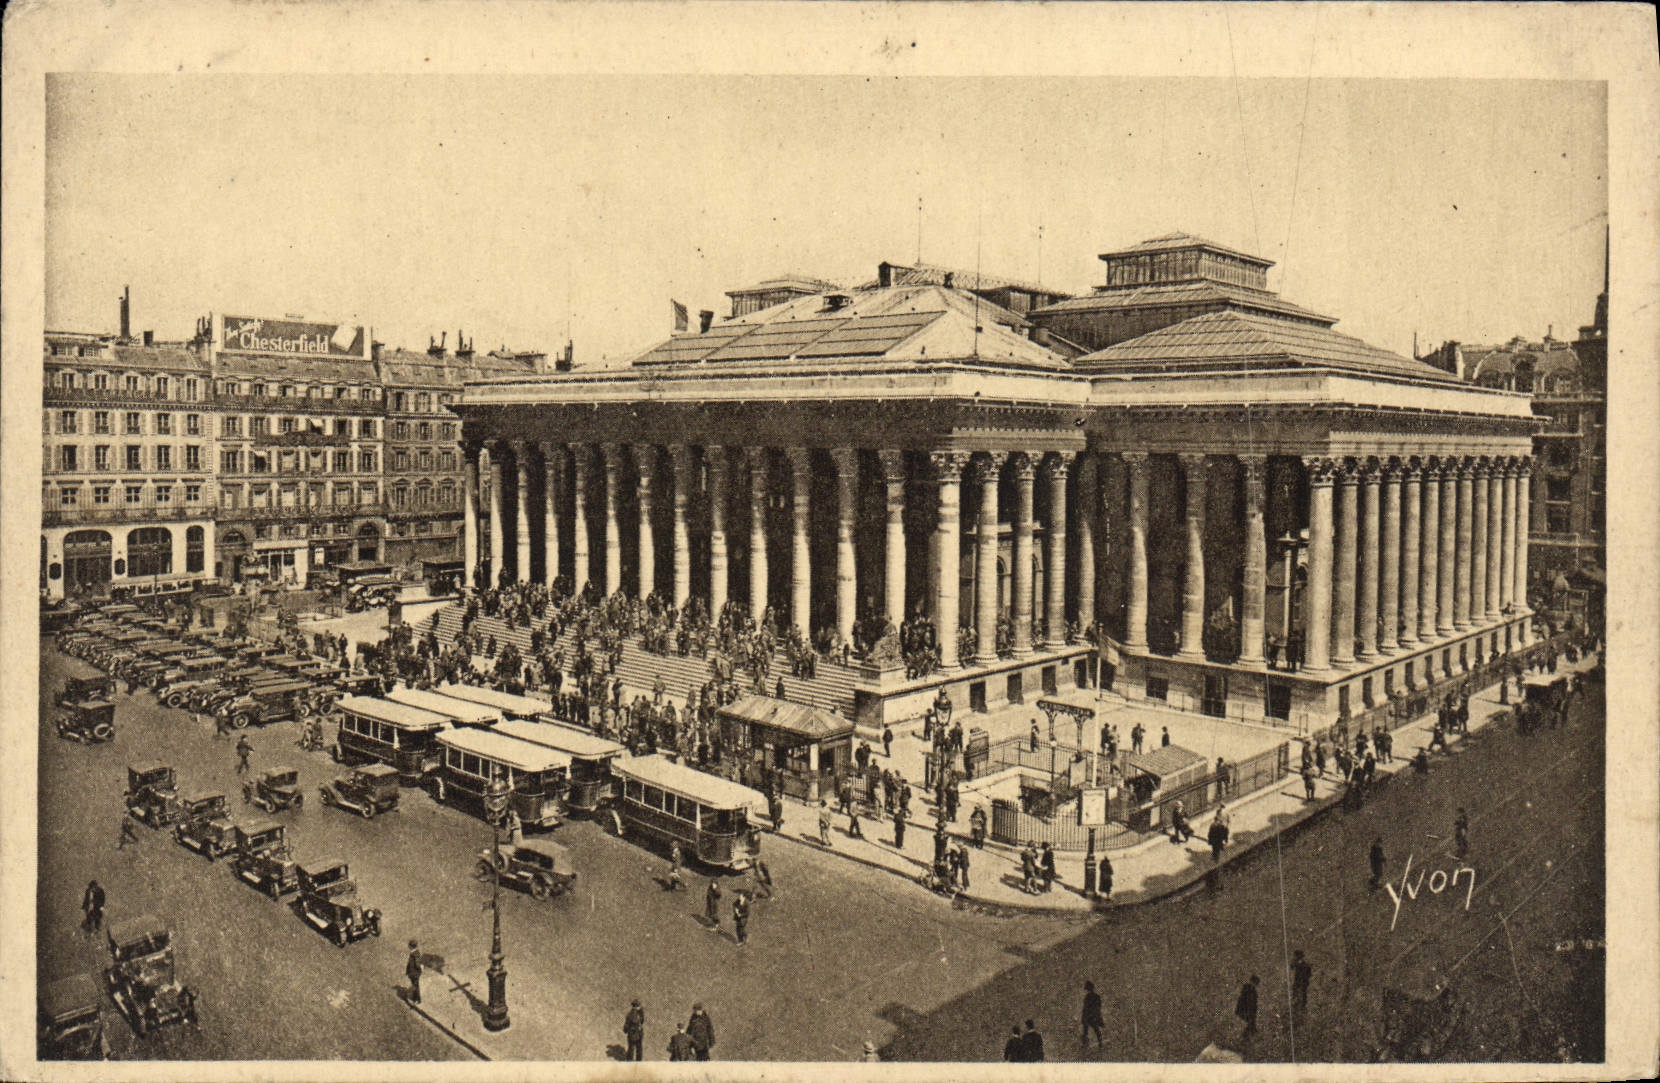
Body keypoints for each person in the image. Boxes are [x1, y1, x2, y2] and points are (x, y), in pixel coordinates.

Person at [1235, 975, 1260, 1040]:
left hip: (1248, 1012)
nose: (1254, 985)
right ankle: (1244, 1038)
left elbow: (1253, 1004)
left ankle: (1246, 1038)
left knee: (1250, 1025)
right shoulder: (1248, 990)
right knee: (1248, 1025)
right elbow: (1243, 1002)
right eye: (1254, 983)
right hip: (1244, 1012)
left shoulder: (1252, 991)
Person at [1081, 981, 1105, 1048]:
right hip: (1093, 1015)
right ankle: (1100, 1043)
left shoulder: (1087, 997)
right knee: (1096, 1029)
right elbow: (1098, 1007)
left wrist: (1084, 1017)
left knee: (1086, 1030)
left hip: (1088, 1015)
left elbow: (1085, 1008)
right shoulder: (1097, 996)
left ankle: (1085, 1044)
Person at [1290, 950, 1313, 1020]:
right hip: (1301, 984)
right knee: (1300, 999)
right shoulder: (1303, 964)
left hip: (1300, 984)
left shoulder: (1301, 964)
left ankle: (1300, 1014)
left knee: (1300, 998)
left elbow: (1292, 966)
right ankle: (1300, 1012)